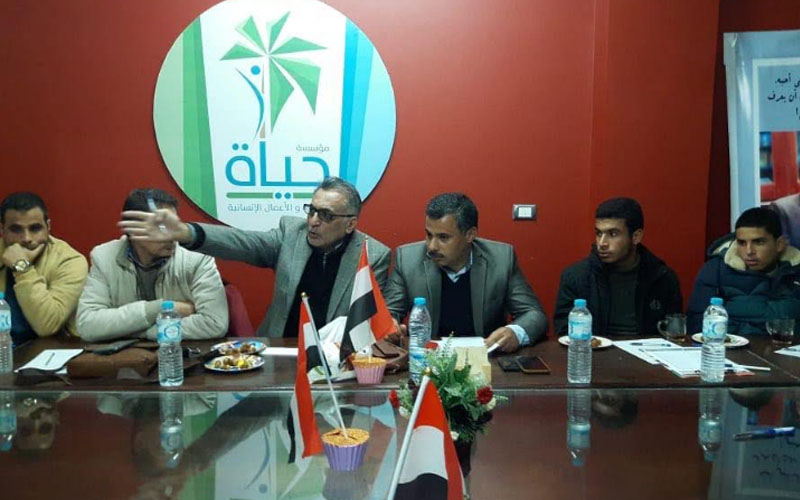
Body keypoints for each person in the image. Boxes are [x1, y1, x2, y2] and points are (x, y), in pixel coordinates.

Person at [118, 177, 391, 338]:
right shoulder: (291, 234)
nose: (313, 221)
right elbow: (244, 243)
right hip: (281, 350)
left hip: (336, 361)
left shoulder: (373, 255)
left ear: (350, 224)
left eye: (326, 215)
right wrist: (187, 232)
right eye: (312, 210)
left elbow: (366, 322)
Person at [383, 192, 547, 353]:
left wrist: (515, 332)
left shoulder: (501, 259)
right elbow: (388, 313)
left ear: (470, 235)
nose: (432, 246)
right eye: (429, 235)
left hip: (486, 359)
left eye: (443, 237)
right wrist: (390, 326)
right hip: (428, 359)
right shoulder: (407, 260)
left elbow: (534, 314)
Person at [77, 189, 228, 341]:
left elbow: (214, 323)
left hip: (179, 352)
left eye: (174, 225)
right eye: (162, 228)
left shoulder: (197, 257)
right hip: (127, 355)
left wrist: (143, 333)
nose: (172, 235)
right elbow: (87, 324)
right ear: (134, 230)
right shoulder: (104, 257)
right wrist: (160, 309)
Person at [554, 197, 682, 336]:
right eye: (599, 233)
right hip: (594, 349)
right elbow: (564, 331)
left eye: (613, 234)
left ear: (636, 237)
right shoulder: (576, 277)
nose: (602, 243)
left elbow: (674, 333)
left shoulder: (662, 278)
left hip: (646, 349)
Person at [687, 206, 800, 335]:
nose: (749, 251)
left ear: (779, 244)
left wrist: (729, 309)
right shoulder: (714, 269)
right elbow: (697, 324)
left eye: (759, 242)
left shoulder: (795, 270)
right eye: (742, 243)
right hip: (726, 347)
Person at [0, 192, 87, 344]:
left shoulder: (70, 261)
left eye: (35, 228)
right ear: (2, 230)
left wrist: (22, 268)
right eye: (16, 229)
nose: (26, 238)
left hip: (47, 349)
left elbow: (47, 325)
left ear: (48, 227)